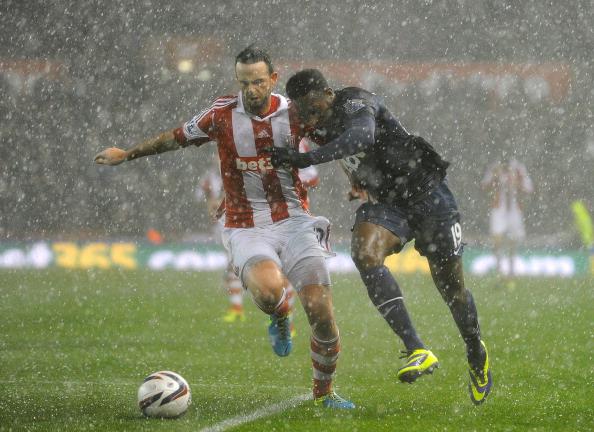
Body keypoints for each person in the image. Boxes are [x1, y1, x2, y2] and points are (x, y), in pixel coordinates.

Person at [94, 48, 354, 409]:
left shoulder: (295, 112)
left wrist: (359, 181)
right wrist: (128, 153)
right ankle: (280, 314)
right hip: (245, 224)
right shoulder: (220, 114)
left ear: (273, 79)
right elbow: (175, 137)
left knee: (322, 315)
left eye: (258, 81)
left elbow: (337, 143)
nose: (251, 89)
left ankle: (324, 393)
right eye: (244, 82)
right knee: (269, 293)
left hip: (295, 221)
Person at [267, 68, 492, 405]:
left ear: (328, 94)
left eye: (314, 109)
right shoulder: (312, 121)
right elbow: (350, 154)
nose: (311, 118)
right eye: (305, 112)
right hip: (389, 203)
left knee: (452, 290)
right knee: (364, 254)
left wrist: (305, 159)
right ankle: (416, 349)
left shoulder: (356, 102)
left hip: (430, 197)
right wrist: (357, 179)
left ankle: (475, 349)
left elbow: (361, 138)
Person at [481, 159, 533, 277]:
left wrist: (516, 182)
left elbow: (529, 188)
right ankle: (499, 268)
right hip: (498, 208)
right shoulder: (495, 167)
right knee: (497, 238)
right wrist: (495, 178)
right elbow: (484, 186)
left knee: (513, 239)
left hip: (514, 209)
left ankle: (511, 269)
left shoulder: (519, 168)